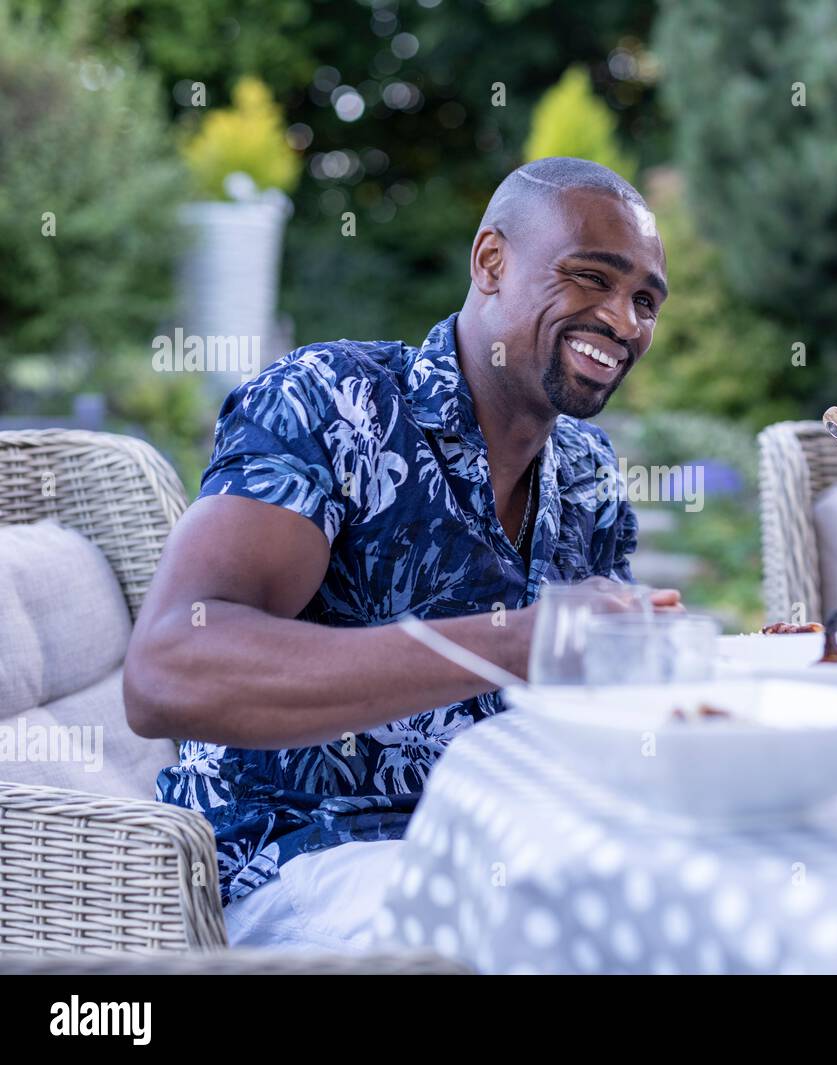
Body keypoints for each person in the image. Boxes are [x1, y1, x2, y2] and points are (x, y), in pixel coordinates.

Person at [124, 157, 680, 950]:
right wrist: (513, 642)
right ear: (491, 261)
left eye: (645, 302)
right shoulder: (329, 401)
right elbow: (168, 667)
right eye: (592, 278)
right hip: (298, 862)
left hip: (504, 843)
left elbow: (594, 701)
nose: (624, 323)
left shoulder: (588, 469)